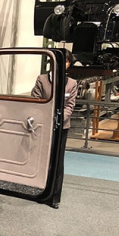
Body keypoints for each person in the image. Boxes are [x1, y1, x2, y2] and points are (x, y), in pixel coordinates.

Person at [30, 50, 78, 209]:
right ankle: (39, 192)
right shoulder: (42, 79)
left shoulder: (72, 83)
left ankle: (54, 197)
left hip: (61, 127)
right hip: (43, 126)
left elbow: (70, 106)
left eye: (66, 61)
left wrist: (58, 119)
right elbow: (36, 99)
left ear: (69, 64)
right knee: (42, 159)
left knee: (57, 162)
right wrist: (46, 119)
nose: (63, 63)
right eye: (59, 60)